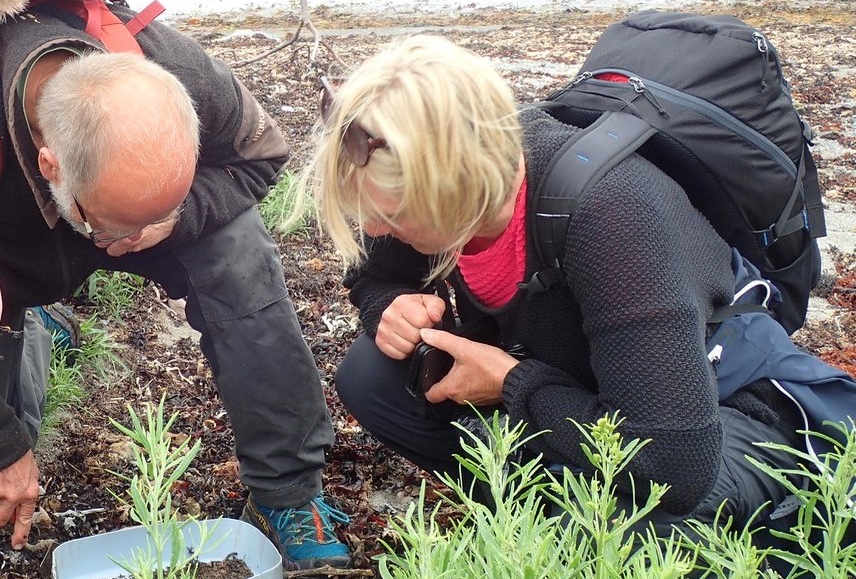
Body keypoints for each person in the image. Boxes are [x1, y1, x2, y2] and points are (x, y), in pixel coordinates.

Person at [305, 33, 810, 546]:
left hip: (720, 415)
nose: (378, 230)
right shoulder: (435, 196)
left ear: (456, 184)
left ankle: (578, 532)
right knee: (373, 377)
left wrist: (513, 383)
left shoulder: (615, 216)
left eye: (389, 214)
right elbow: (374, 274)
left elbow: (673, 466)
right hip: (579, 385)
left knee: (609, 531)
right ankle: (524, 509)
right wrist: (389, 306)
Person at [0, 0, 350, 572]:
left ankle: (289, 493)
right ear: (50, 167)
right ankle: (34, 319)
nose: (127, 241)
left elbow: (263, 152)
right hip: (15, 245)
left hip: (114, 207)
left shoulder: (163, 61)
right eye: (116, 224)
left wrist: (175, 219)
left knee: (238, 254)